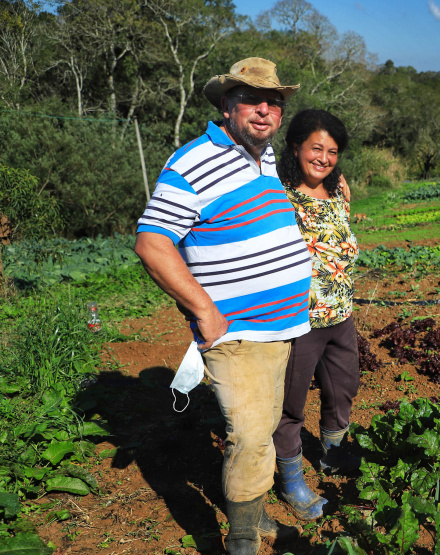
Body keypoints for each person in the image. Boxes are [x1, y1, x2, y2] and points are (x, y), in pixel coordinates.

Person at [133, 58, 326, 555]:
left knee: (259, 430)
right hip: (239, 333)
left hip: (279, 327)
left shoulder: (261, 159)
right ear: (226, 105)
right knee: (250, 437)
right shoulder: (193, 161)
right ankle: (241, 539)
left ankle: (254, 516)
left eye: (274, 102)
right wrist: (203, 309)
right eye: (251, 100)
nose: (264, 110)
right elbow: (153, 242)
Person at [272, 109, 362, 499]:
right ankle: (291, 480)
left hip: (341, 315)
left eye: (332, 151)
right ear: (296, 147)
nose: (324, 158)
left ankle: (333, 454)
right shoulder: (278, 194)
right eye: (316, 148)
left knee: (343, 388)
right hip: (299, 319)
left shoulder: (338, 192)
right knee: (290, 404)